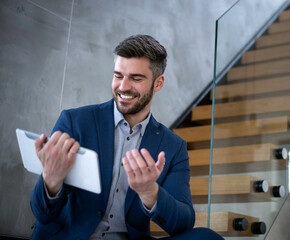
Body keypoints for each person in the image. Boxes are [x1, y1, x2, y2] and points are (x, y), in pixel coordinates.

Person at [30, 35, 223, 240]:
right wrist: (50, 181)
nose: (123, 87)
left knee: (206, 238)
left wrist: (150, 193)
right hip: (73, 236)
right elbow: (42, 214)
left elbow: (184, 222)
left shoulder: (173, 147)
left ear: (158, 83)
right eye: (118, 76)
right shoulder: (76, 121)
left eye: (136, 78)